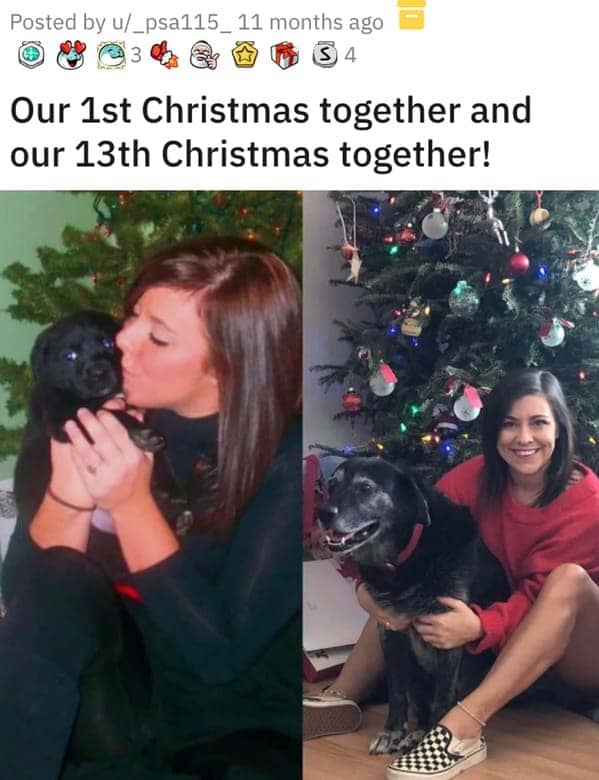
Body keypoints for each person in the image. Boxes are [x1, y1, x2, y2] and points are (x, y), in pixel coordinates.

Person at [0, 236, 302, 779]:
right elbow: (30, 598)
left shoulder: (286, 462)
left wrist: (131, 504)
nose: (121, 342)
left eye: (157, 338)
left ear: (226, 367)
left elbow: (217, 659)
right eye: (133, 315)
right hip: (126, 704)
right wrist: (69, 491)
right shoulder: (100, 413)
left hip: (238, 730)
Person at [304, 368, 599, 780]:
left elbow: (539, 599)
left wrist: (479, 625)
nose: (524, 438)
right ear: (494, 431)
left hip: (574, 649)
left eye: (538, 423)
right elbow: (404, 533)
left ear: (560, 429)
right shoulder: (475, 477)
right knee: (406, 587)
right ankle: (341, 696)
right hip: (500, 637)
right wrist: (365, 592)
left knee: (567, 579)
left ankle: (462, 729)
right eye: (509, 424)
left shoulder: (586, 500)